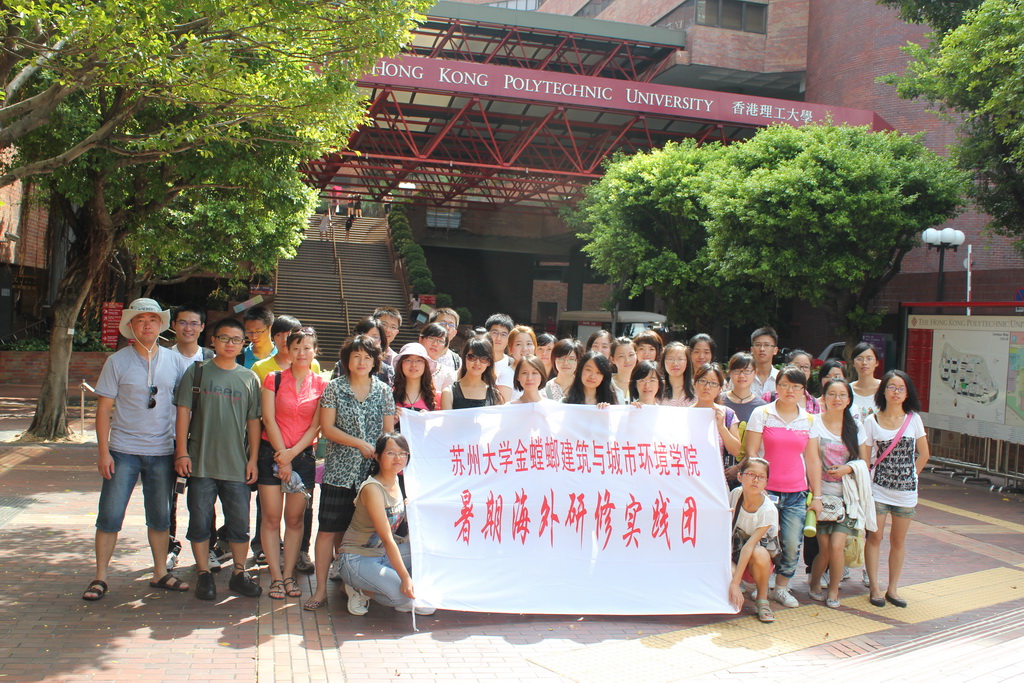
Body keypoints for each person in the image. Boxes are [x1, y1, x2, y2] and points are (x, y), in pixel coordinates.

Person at [83, 298, 191, 601]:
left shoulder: (175, 361)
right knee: (110, 515)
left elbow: (184, 409)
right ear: (130, 326)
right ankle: (100, 577)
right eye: (140, 320)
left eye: (153, 319)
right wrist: (103, 452)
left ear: (161, 325)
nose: (147, 325)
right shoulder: (117, 361)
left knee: (160, 516)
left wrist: (181, 449)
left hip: (162, 451)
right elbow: (103, 410)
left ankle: (160, 572)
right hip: (122, 451)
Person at [174, 318, 263, 601]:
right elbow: (183, 413)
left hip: (237, 464)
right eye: (224, 338)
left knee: (239, 523)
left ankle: (239, 573)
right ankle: (203, 573)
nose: (230, 344)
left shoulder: (249, 378)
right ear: (213, 340)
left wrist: (253, 459)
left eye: (236, 340)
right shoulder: (198, 372)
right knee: (200, 521)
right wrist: (181, 452)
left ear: (243, 344)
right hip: (200, 462)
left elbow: (254, 422)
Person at [306, 335, 396, 610]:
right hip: (339, 473)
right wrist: (359, 443)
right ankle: (320, 590)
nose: (361, 362)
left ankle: (355, 586)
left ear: (375, 361)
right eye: (356, 356)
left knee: (363, 535)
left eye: (367, 357)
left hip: (371, 477)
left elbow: (388, 432)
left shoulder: (383, 391)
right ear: (346, 360)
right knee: (327, 530)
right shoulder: (334, 388)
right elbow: (327, 429)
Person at [743, 366, 824, 609]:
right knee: (762, 542)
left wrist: (817, 496)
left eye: (796, 387)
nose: (790, 391)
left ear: (803, 391)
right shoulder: (762, 413)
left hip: (796, 493)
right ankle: (759, 585)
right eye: (785, 385)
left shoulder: (809, 420)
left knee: (792, 542)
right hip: (765, 492)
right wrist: (757, 487)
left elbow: (812, 459)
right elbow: (752, 453)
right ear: (776, 387)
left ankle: (781, 587)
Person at [258, 327, 326, 600]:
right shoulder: (273, 379)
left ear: (315, 351)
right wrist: (282, 455)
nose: (301, 353)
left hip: (303, 457)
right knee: (271, 517)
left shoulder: (321, 384)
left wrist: (292, 455)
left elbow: (316, 426)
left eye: (307, 348)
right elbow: (268, 419)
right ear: (287, 350)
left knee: (295, 519)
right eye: (295, 347)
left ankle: (289, 575)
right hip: (271, 454)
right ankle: (275, 577)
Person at [337, 433, 435, 616]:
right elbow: (387, 538)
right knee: (400, 595)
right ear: (377, 456)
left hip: (381, 554)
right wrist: (405, 578)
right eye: (391, 453)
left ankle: (394, 588)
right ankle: (358, 590)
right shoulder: (373, 489)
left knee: (427, 551)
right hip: (356, 558)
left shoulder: (397, 481)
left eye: (402, 453)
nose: (398, 458)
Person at [864, 370, 930, 609]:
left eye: (901, 388)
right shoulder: (871, 421)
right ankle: (874, 587)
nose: (896, 392)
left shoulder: (913, 419)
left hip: (906, 493)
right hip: (878, 490)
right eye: (891, 387)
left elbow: (924, 454)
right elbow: (865, 459)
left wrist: (911, 476)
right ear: (883, 391)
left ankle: (892, 589)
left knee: (898, 541)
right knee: (874, 537)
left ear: (907, 393)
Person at [808, 378, 869, 609]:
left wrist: (848, 468)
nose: (837, 399)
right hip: (822, 496)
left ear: (849, 399)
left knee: (836, 546)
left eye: (842, 395)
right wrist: (816, 496)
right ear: (823, 398)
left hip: (847, 498)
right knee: (824, 549)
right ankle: (815, 582)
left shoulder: (856, 427)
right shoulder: (814, 423)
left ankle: (833, 590)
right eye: (832, 394)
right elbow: (811, 459)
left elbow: (864, 462)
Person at [166, 304, 212, 571]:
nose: (188, 328)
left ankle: (208, 549)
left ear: (202, 327)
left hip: (203, 440)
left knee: (205, 498)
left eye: (194, 323)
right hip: (168, 438)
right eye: (183, 322)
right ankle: (169, 547)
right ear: (173, 325)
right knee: (167, 498)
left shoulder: (211, 358)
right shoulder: (163, 357)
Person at [728, 457, 779, 624]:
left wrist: (735, 583)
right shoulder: (735, 494)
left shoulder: (768, 510)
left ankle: (763, 600)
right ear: (740, 476)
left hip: (755, 561)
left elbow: (749, 547)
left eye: (761, 477)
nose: (756, 480)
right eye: (751, 474)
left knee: (760, 553)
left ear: (766, 482)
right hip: (735, 555)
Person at [693, 363, 741, 468]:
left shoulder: (727, 414)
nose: (707, 387)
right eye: (702, 381)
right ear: (695, 384)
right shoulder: (684, 414)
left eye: (713, 383)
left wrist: (721, 427)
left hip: (716, 475)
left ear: (720, 388)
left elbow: (736, 451)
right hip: (689, 474)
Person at [252, 314, 322, 382]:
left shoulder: (312, 364)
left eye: (289, 335)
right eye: (279, 335)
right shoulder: (259, 367)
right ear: (272, 338)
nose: (284, 339)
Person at [441, 336, 505, 409]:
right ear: (464, 358)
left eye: (483, 359)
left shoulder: (495, 396)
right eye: (472, 357)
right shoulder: (449, 392)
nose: (477, 363)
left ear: (489, 362)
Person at [767, 350, 820, 415]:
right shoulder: (769, 397)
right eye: (797, 366)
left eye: (806, 367)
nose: (801, 370)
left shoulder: (814, 403)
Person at [343, 317, 393, 386]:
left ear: (380, 341)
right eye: (364, 335)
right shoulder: (342, 366)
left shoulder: (386, 371)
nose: (369, 340)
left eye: (375, 337)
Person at [393, 342, 438, 417]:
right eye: (408, 360)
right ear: (401, 364)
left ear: (425, 365)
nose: (413, 365)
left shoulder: (436, 398)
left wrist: (429, 419)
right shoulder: (389, 395)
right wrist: (392, 421)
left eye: (419, 360)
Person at [485, 313, 516, 403]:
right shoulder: (479, 361)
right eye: (495, 333)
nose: (498, 338)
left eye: (504, 334)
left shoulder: (513, 364)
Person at [417, 323, 455, 395]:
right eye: (431, 338)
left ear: (445, 346)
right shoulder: (409, 366)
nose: (435, 344)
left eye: (440, 341)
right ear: (420, 339)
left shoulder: (447, 374)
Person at [851, 342, 882, 424]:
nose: (864, 362)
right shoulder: (846, 390)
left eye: (869, 358)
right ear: (853, 363)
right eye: (859, 359)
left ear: (877, 362)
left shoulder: (884, 388)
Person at [659, 341, 696, 407]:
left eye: (680, 359)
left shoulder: (697, 388)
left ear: (687, 362)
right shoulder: (657, 387)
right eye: (670, 359)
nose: (675, 364)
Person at [429, 307, 462, 375]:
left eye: (451, 325)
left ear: (455, 332)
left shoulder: (457, 361)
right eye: (442, 323)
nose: (447, 327)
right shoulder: (419, 355)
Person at [750, 327, 780, 397]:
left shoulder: (781, 378)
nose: (762, 349)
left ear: (775, 350)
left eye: (767, 345)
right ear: (752, 350)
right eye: (758, 345)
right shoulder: (742, 377)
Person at [610, 337, 637, 405]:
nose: (627, 360)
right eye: (621, 356)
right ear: (612, 359)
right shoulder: (607, 382)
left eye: (631, 355)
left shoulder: (642, 382)